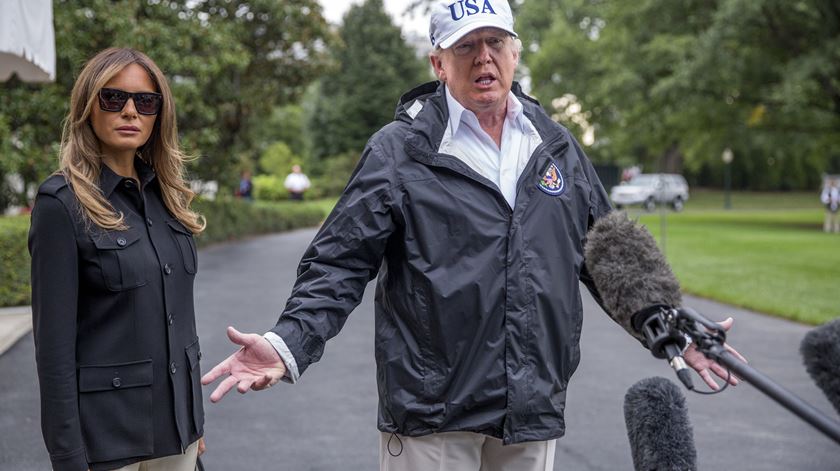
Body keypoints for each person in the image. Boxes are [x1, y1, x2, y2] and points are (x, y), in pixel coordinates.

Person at [201, 2, 744, 470]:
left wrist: (673, 328)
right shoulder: (399, 150)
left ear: (515, 54)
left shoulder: (555, 146)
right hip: (432, 416)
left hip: (531, 408)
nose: (483, 58)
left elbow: (609, 252)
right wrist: (288, 341)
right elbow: (338, 264)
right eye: (466, 46)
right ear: (439, 63)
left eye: (495, 42)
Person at [29, 48, 207, 471]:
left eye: (146, 101)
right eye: (113, 98)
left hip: (177, 434)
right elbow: (52, 352)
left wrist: (194, 421)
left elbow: (181, 320)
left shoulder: (169, 201)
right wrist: (67, 456)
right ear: (88, 106)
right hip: (105, 442)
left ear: (158, 114)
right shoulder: (61, 204)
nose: (130, 111)